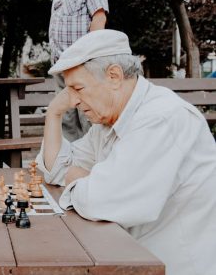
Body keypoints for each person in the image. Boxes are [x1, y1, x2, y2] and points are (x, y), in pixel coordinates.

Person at [36, 29, 216, 275]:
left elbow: (100, 200)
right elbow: (55, 170)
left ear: (114, 76)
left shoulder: (161, 118)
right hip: (128, 255)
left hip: (171, 266)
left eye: (78, 88)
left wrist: (80, 178)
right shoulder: (108, 120)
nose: (73, 101)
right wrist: (54, 114)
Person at [48, 0, 108, 141]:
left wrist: (90, 59)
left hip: (82, 66)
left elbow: (99, 18)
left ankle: (92, 165)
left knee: (88, 120)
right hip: (61, 66)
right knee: (66, 122)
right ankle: (70, 165)